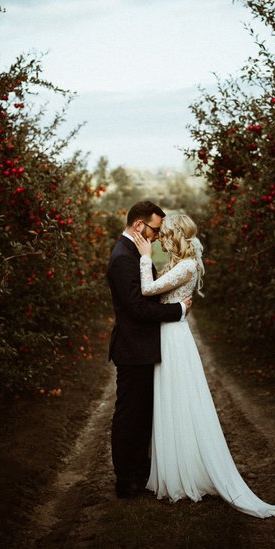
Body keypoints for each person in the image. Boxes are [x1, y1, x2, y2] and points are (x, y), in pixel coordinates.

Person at [130, 214, 275, 519]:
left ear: (176, 236)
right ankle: (177, 468)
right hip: (170, 335)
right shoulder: (182, 264)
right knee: (172, 400)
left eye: (165, 234)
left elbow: (147, 290)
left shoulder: (187, 266)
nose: (161, 239)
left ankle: (186, 472)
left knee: (180, 400)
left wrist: (144, 258)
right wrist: (175, 305)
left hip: (174, 339)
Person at [106, 200, 193, 499]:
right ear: (139, 225)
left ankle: (140, 473)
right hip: (133, 348)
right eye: (155, 230)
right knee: (130, 415)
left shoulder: (131, 252)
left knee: (142, 415)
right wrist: (177, 310)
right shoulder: (123, 257)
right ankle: (125, 481)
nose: (157, 237)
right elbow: (138, 308)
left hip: (142, 347)